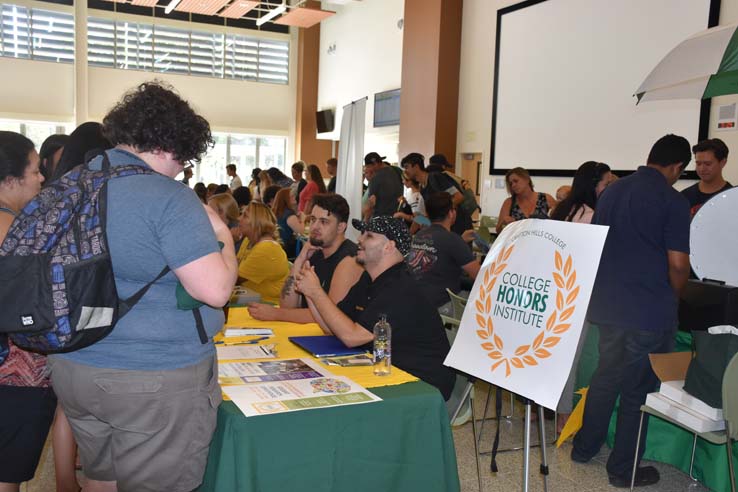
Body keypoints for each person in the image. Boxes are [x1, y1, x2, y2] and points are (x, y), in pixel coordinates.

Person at [48, 82, 238, 492]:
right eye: (184, 160)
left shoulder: (74, 184)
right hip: (152, 379)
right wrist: (222, 232)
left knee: (101, 477)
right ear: (172, 146)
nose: (181, 169)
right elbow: (216, 290)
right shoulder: (167, 197)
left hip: (74, 365)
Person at [571, 134, 692, 488]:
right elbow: (679, 264)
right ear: (677, 167)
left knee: (605, 378)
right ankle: (623, 470)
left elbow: (597, 245)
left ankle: (584, 448)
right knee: (637, 391)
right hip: (649, 312)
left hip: (608, 306)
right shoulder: (672, 200)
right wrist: (675, 295)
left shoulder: (612, 192)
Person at [294, 216, 455, 400]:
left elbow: (352, 336)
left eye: (369, 236)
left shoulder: (400, 287)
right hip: (385, 369)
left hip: (421, 384)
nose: (359, 240)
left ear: (389, 247)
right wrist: (309, 291)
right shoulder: (370, 279)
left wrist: (316, 292)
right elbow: (330, 326)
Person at [0, 131, 54, 492]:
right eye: (34, 170)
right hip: (15, 374)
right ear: (8, 180)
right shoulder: (14, 234)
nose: (42, 178)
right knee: (7, 472)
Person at [549, 161, 612, 433]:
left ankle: (546, 409)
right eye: (606, 184)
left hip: (556, 288)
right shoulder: (592, 216)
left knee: (554, 354)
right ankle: (564, 415)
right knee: (571, 359)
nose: (610, 189)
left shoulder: (561, 210)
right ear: (594, 185)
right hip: (578, 293)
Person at [250, 193, 363, 324]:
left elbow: (331, 318)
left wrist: (275, 313)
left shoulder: (349, 260)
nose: (315, 227)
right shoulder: (315, 253)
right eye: (313, 219)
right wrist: (299, 260)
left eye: (324, 222)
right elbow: (287, 305)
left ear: (340, 227)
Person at [407, 192, 480, 314]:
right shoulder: (452, 239)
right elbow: (479, 275)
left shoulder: (420, 235)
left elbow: (439, 251)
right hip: (441, 305)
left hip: (416, 300)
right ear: (451, 213)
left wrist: (460, 241)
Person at [401, 152, 473, 236]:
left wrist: (440, 212)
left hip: (458, 226)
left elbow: (459, 197)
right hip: (445, 229)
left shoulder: (436, 177)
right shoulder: (422, 187)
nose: (405, 171)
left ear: (416, 167)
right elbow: (423, 216)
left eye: (407, 167)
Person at [237, 202, 290, 303]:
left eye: (245, 216)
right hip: (252, 296)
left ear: (257, 222)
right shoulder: (248, 240)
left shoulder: (266, 249)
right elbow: (235, 265)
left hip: (269, 303)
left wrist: (229, 241)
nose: (239, 219)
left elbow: (234, 279)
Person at [681, 138, 732, 217]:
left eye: (708, 164)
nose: (702, 169)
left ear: (723, 162)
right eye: (698, 164)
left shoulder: (733, 198)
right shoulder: (684, 197)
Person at [495, 167, 556, 233]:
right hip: (516, 242)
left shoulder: (546, 198)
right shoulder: (509, 202)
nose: (513, 185)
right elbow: (498, 230)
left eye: (516, 181)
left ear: (527, 179)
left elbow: (559, 223)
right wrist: (503, 223)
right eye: (511, 184)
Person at [365, 152, 403, 218]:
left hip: (381, 219)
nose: (368, 169)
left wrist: (365, 222)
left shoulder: (375, 178)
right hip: (397, 216)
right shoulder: (398, 170)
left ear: (375, 164)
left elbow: (371, 204)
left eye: (368, 167)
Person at [270, 187, 302, 257]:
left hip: (279, 245)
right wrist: (303, 218)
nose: (294, 197)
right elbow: (300, 231)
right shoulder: (289, 214)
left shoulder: (277, 212)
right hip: (288, 247)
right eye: (292, 196)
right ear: (286, 199)